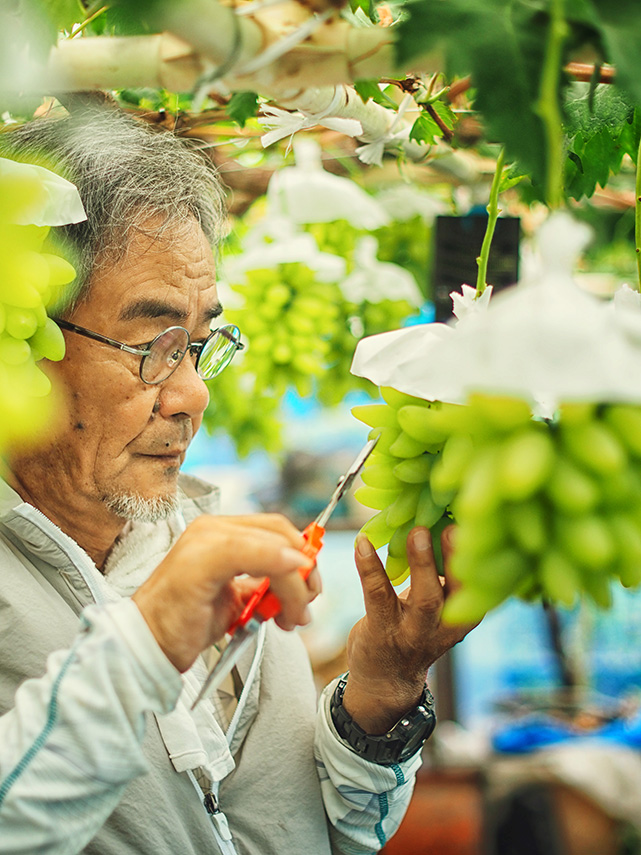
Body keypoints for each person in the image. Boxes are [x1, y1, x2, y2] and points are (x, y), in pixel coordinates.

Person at [0, 109, 475, 855]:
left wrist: (378, 698)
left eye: (198, 343)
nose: (192, 394)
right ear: (26, 332)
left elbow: (320, 833)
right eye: (151, 345)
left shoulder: (207, 543)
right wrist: (148, 639)